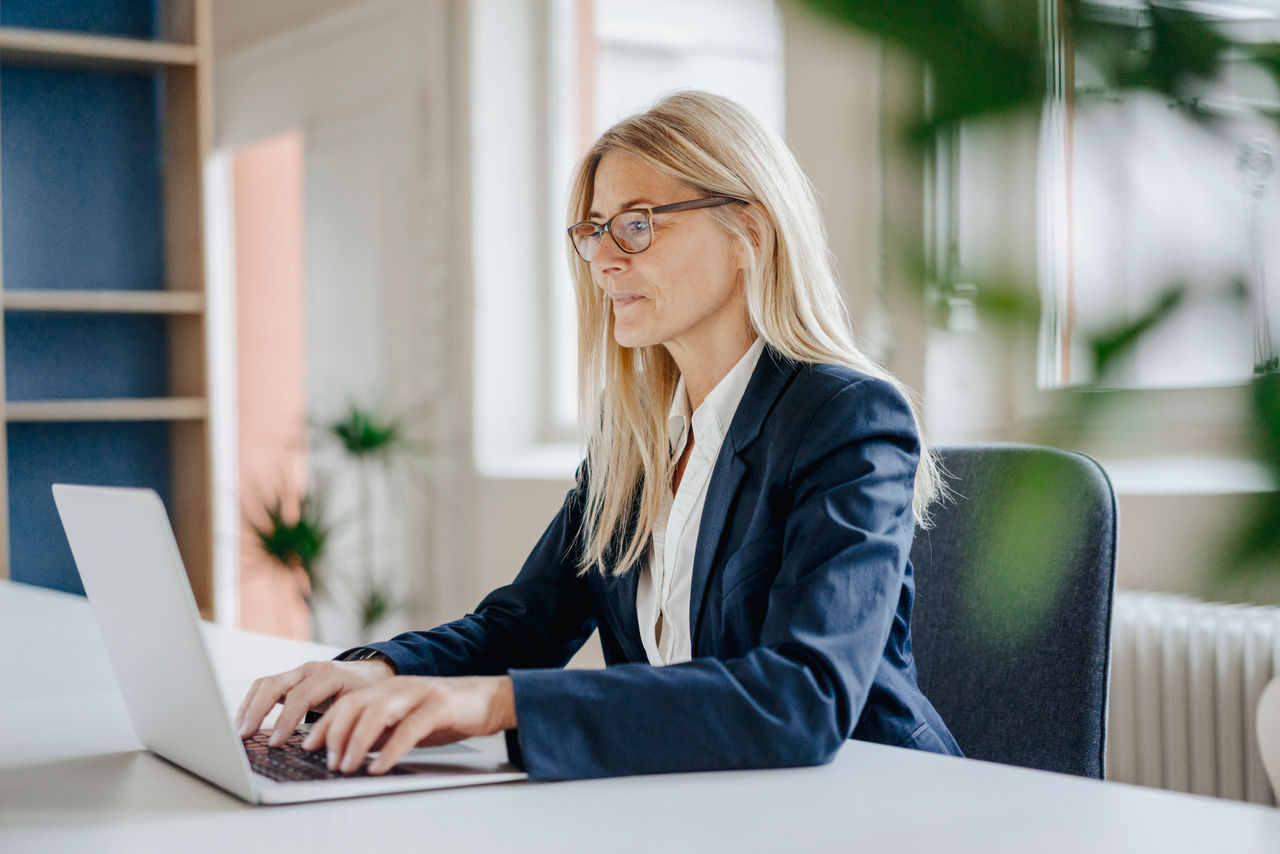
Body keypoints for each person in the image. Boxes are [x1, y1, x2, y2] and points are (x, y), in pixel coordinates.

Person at [236, 90, 962, 780]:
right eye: (594, 230)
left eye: (638, 223)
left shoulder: (847, 419)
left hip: (880, 807)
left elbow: (801, 696)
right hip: (711, 799)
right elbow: (524, 625)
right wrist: (376, 671)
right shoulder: (635, 439)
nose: (606, 259)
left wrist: (496, 705)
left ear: (749, 231)